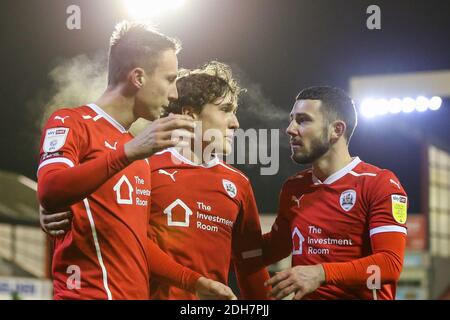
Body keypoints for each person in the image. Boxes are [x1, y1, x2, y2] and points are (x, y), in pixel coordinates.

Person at [37, 21, 235, 300]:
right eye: (169, 79)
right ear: (138, 77)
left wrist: (195, 282)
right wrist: (128, 152)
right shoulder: (72, 122)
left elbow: (134, 243)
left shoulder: (138, 154)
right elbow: (50, 190)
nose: (174, 93)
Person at [263, 86, 408, 300]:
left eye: (303, 120)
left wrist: (321, 273)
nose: (290, 129)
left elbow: (389, 265)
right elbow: (273, 247)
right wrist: (215, 242)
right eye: (292, 119)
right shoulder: (294, 187)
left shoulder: (380, 183)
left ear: (336, 130)